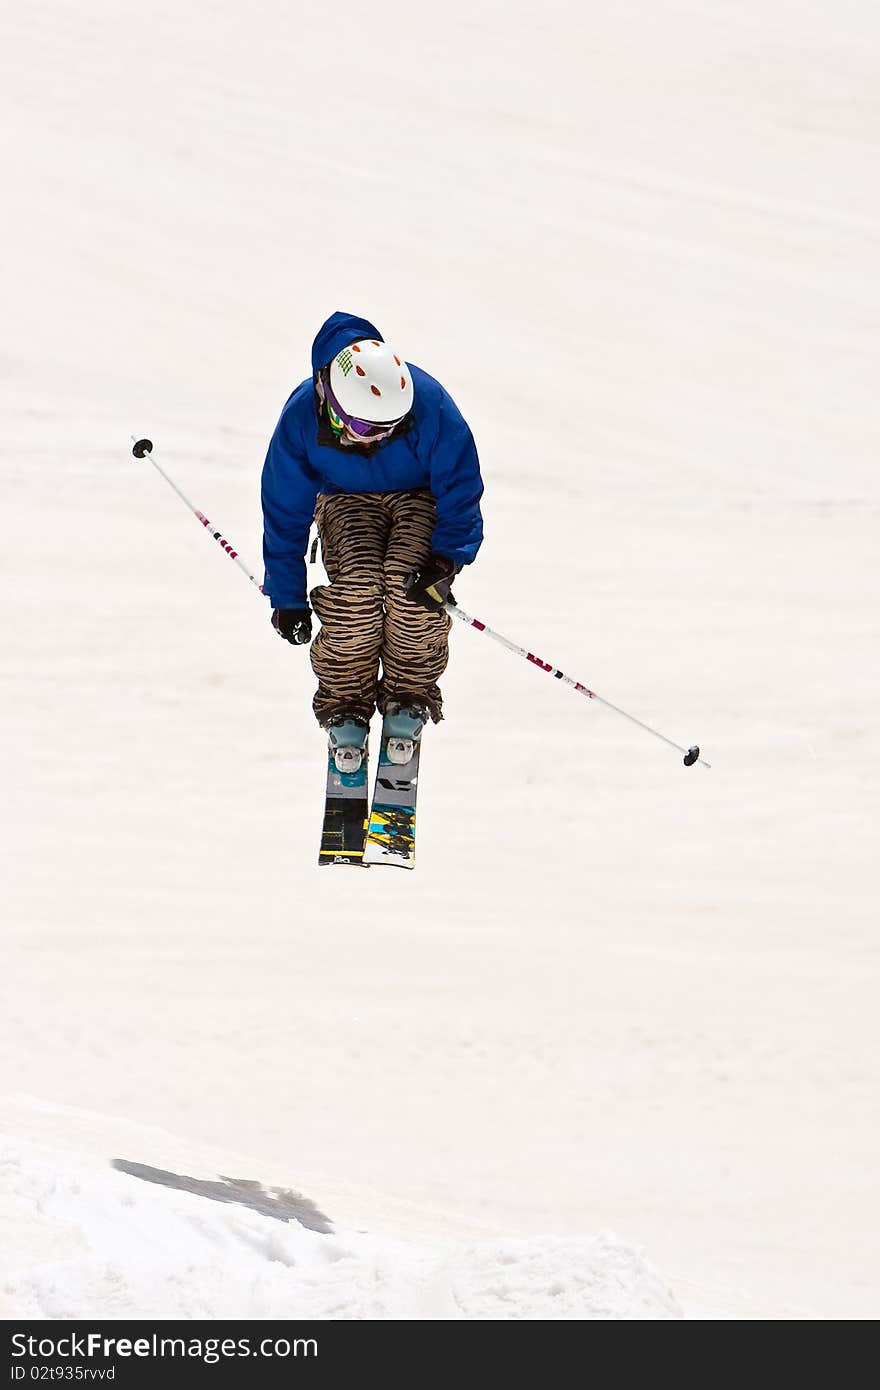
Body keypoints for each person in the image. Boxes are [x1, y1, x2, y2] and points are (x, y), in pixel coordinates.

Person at [261, 311, 484, 771]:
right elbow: (285, 511)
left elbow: (461, 482)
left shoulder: (429, 402)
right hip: (344, 500)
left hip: (418, 496)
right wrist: (286, 596)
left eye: (391, 428)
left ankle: (409, 694)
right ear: (330, 401)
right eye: (365, 429)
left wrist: (447, 558)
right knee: (357, 589)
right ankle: (346, 699)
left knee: (410, 587)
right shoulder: (301, 418)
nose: (376, 440)